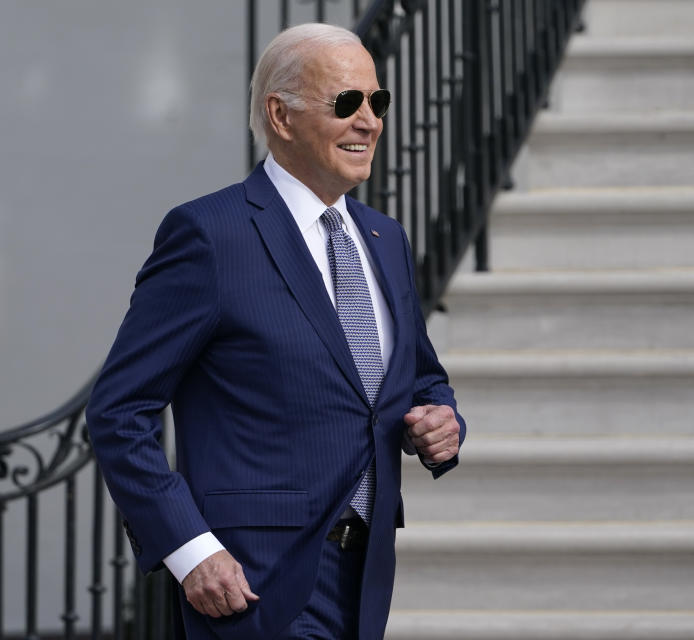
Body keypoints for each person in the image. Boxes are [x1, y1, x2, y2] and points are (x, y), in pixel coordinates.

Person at [86, 22, 466, 640]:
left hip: (364, 575)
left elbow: (420, 377)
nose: (369, 121)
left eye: (379, 102)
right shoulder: (210, 235)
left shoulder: (385, 239)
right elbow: (119, 411)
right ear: (280, 116)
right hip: (252, 584)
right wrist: (190, 549)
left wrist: (441, 420)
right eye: (347, 103)